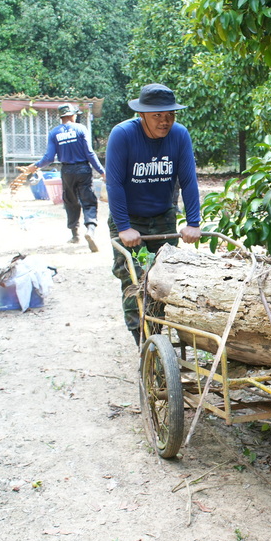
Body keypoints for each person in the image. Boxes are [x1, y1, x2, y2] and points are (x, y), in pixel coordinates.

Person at [104, 84, 202, 345]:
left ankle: (158, 338)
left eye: (170, 114)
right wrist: (124, 227)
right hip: (129, 217)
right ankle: (143, 344)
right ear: (142, 115)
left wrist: (193, 222)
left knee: (164, 278)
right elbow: (114, 183)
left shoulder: (179, 135)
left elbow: (188, 180)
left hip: (162, 216)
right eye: (157, 115)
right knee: (134, 279)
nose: (165, 121)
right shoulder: (123, 135)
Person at [27, 103, 105, 253]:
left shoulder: (54, 133)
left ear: (61, 116)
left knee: (70, 201)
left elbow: (49, 158)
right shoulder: (81, 129)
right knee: (88, 200)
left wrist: (36, 166)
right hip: (83, 169)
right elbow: (89, 153)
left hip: (67, 171)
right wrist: (102, 171)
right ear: (73, 115)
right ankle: (90, 230)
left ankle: (75, 235)